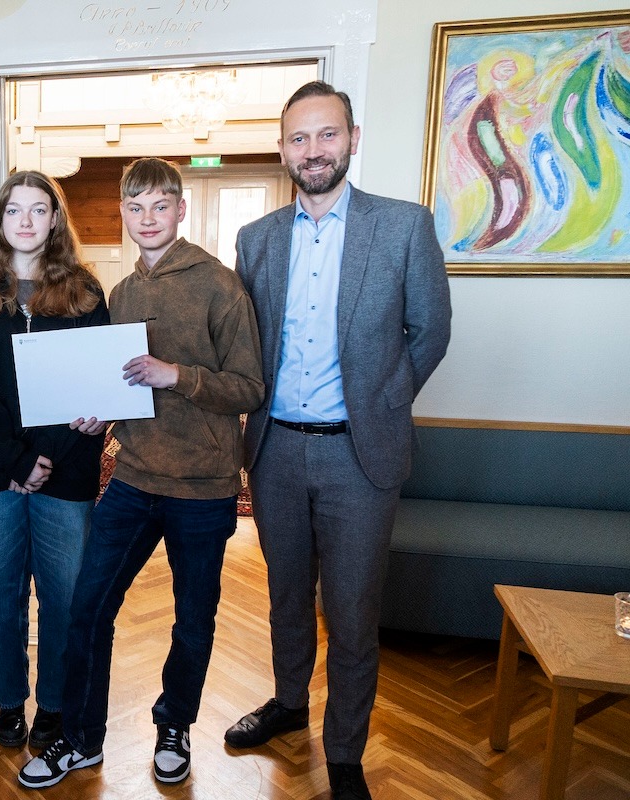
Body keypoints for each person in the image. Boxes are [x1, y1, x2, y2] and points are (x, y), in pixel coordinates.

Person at [223, 81, 451, 800]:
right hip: (275, 450)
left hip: (362, 454)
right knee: (287, 597)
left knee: (352, 610)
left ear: (352, 138)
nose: (312, 151)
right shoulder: (255, 240)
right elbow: (245, 341)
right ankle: (291, 705)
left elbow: (431, 331)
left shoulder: (403, 227)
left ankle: (345, 751)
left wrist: (382, 400)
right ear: (283, 148)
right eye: (299, 138)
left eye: (326, 135)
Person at [18, 157, 264, 789]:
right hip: (130, 477)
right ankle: (81, 740)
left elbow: (249, 389)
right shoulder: (120, 293)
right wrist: (104, 416)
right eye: (135, 207)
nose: (147, 218)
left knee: (193, 617)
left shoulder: (220, 285)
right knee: (86, 608)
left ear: (180, 211)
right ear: (122, 214)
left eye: (160, 206)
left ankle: (174, 725)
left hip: (205, 489)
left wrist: (174, 373)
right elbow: (120, 383)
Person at [0, 170, 109, 753]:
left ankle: (57, 705)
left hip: (65, 474)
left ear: (54, 220)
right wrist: (17, 461)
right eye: (14, 209)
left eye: (39, 210)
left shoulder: (87, 293)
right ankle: (9, 697)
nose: (25, 220)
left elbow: (91, 384)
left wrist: (45, 458)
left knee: (64, 594)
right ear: (0, 218)